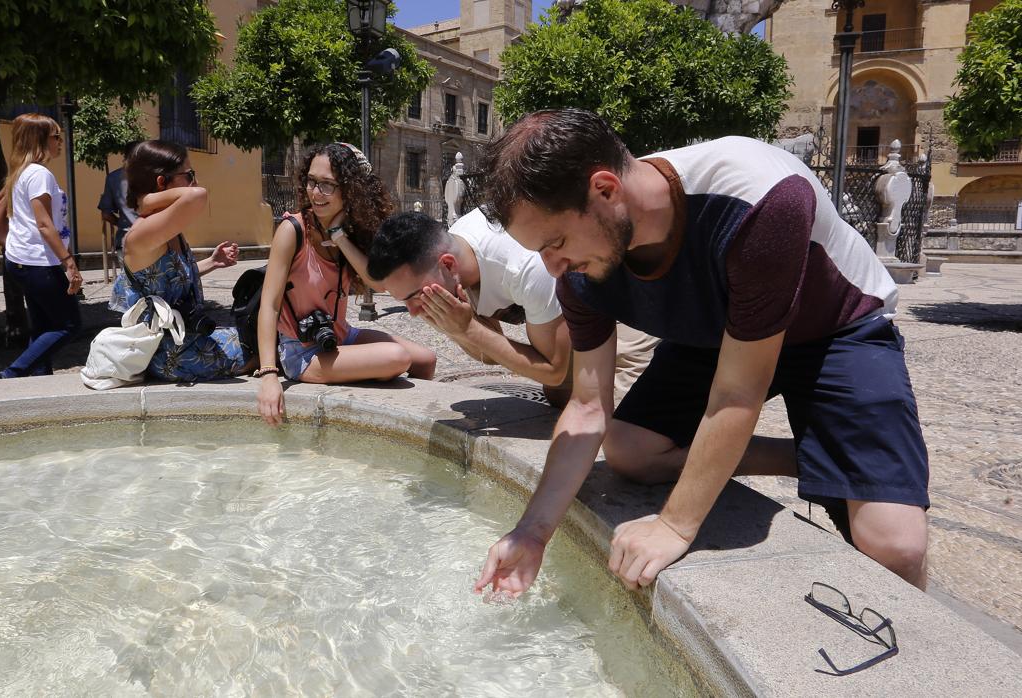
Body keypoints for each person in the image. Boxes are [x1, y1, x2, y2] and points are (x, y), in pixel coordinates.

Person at [472, 108, 930, 596]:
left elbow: (738, 393)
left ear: (606, 190)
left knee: (894, 546)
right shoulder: (581, 274)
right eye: (539, 252)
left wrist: (674, 526)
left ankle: (850, 473)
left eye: (556, 243)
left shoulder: (758, 197)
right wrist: (532, 531)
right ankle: (816, 458)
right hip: (717, 334)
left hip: (835, 328)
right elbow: (587, 408)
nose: (555, 268)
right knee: (629, 450)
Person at [366, 209, 658, 408]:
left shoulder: (524, 265)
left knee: (616, 433)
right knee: (559, 398)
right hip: (576, 315)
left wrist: (466, 328)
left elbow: (554, 369)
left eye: (413, 296)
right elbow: (489, 354)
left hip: (626, 310)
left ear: (447, 265)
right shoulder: (455, 254)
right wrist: (457, 326)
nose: (413, 312)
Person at [256, 143, 437, 426]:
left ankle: (411, 426)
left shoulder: (349, 232)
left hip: (340, 335)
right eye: (312, 181)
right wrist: (268, 375)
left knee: (425, 359)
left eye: (327, 185)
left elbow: (378, 285)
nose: (316, 193)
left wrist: (340, 236)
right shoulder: (291, 231)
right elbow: (269, 305)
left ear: (349, 190)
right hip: (303, 351)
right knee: (397, 357)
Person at [108, 139, 248, 382]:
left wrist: (213, 262)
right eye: (189, 174)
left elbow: (168, 278)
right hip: (167, 354)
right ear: (162, 182)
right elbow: (198, 195)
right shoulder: (141, 235)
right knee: (266, 351)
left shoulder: (167, 231)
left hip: (185, 341)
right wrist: (147, 200)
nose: (194, 181)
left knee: (261, 336)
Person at [0, 113, 83, 379]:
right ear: (39, 139)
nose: (60, 141)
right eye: (56, 136)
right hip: (39, 261)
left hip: (22, 260)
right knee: (69, 325)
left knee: (44, 326)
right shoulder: (39, 174)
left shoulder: (21, 172)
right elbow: (44, 224)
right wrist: (69, 262)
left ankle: (38, 380)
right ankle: (11, 374)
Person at [98, 141, 141, 250]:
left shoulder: (113, 178)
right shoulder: (155, 176)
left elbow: (106, 214)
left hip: (125, 239)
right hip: (153, 239)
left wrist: (123, 224)